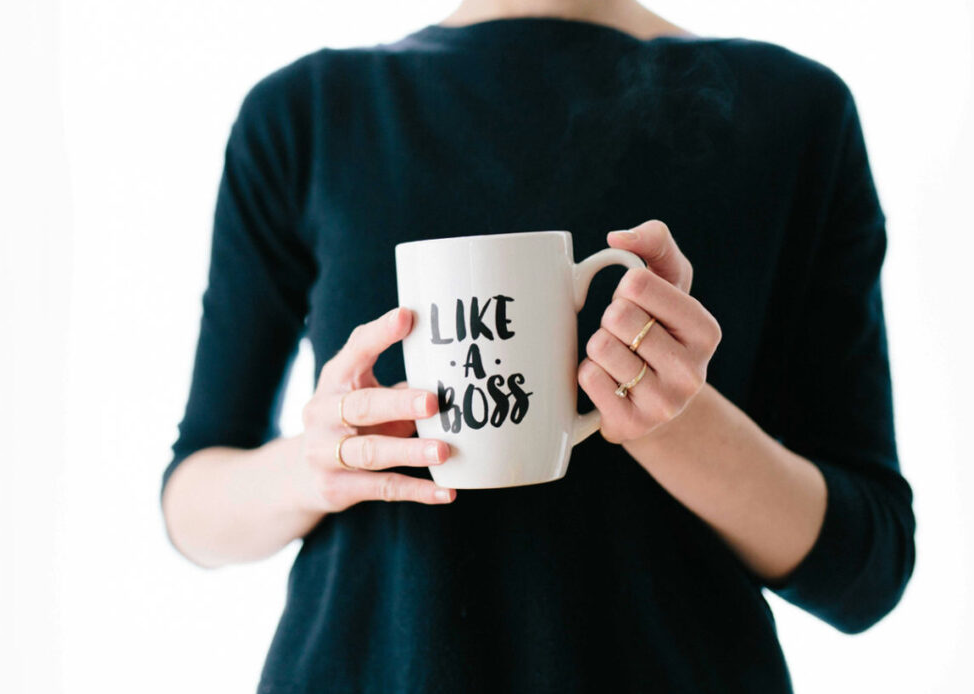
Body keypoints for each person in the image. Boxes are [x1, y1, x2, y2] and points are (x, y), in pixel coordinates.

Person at [159, 0, 916, 691]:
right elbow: (191, 503)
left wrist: (676, 422)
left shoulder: (793, 114)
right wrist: (315, 465)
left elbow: (866, 569)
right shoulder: (307, 115)